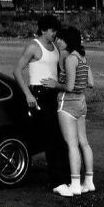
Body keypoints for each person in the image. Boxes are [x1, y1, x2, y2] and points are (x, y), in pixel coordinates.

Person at [13, 14, 70, 194]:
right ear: (44, 29)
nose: (55, 33)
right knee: (51, 138)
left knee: (60, 138)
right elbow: (16, 70)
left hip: (53, 93)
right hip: (38, 93)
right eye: (52, 30)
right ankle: (58, 182)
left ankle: (65, 178)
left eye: (56, 30)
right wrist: (28, 94)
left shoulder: (54, 46)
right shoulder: (33, 47)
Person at [44, 25, 95, 196]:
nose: (58, 41)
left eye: (61, 39)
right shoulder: (81, 57)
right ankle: (89, 181)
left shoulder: (70, 59)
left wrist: (55, 84)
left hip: (68, 104)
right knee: (84, 143)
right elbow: (91, 82)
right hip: (81, 102)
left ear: (67, 41)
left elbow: (69, 86)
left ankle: (74, 183)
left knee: (72, 145)